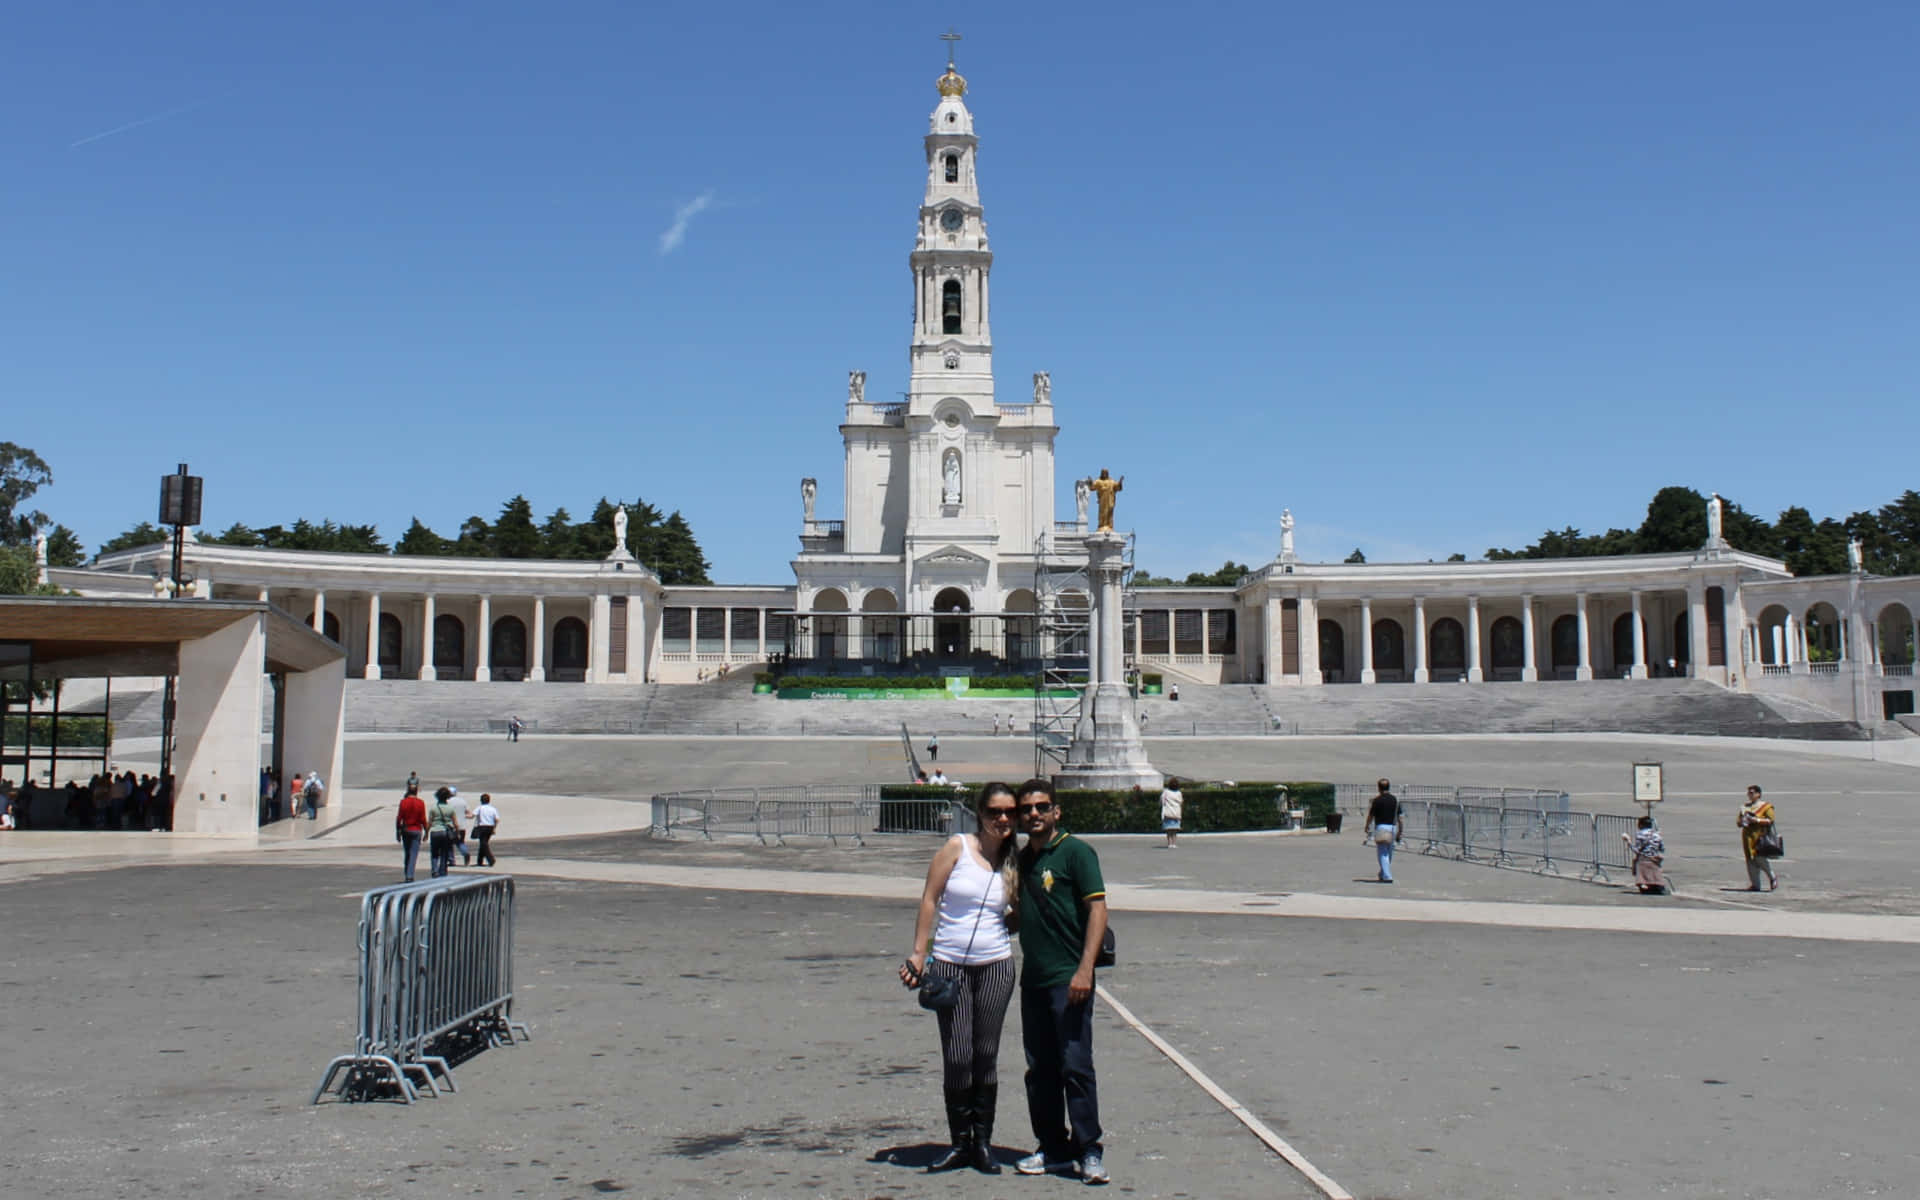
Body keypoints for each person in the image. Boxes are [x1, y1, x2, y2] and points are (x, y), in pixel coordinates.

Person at [898, 783, 1022, 1175]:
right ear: (979, 813)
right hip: (950, 963)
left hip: (996, 964)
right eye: (994, 811)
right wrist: (920, 953)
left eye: (1009, 812)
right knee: (957, 1055)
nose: (1002, 819)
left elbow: (1017, 915)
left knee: (985, 1054)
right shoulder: (957, 848)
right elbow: (929, 899)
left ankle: (982, 1143)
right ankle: (958, 1143)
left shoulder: (1015, 859)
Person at [1014, 778, 1110, 1185]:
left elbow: (1097, 910)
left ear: (1056, 811)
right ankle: (1052, 1146)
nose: (1033, 814)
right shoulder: (1021, 860)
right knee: (1040, 1068)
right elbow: (1018, 915)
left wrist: (1085, 969)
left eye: (1041, 807)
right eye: (1026, 809)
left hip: (1068, 978)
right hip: (1033, 979)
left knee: (1075, 1065)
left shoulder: (1076, 853)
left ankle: (1089, 1149)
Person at [1739, 785, 1777, 891]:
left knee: (1760, 858)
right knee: (1750, 860)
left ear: (1758, 794)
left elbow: (1770, 820)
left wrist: (1757, 820)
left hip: (1760, 836)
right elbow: (1739, 821)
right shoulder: (1745, 806)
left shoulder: (1766, 806)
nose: (1750, 795)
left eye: (1752, 793)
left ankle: (1772, 877)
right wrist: (1743, 821)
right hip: (1747, 836)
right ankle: (1755, 884)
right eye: (1749, 793)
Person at [1365, 778, 1400, 884]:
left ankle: (1387, 876)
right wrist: (1400, 830)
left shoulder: (1377, 800)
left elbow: (1371, 815)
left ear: (1379, 788)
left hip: (1381, 827)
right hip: (1392, 828)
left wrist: (1367, 825)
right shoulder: (1395, 800)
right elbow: (1400, 817)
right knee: (1389, 853)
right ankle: (1383, 872)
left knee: (1382, 853)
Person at [1624, 816, 1667, 894]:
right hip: (1654, 859)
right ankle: (1657, 887)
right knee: (1655, 874)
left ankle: (1644, 886)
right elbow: (1662, 849)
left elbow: (1637, 850)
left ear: (1641, 825)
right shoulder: (1657, 834)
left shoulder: (1640, 834)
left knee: (1641, 871)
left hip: (1643, 859)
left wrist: (1628, 841)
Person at [426, 786, 463, 878]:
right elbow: (455, 823)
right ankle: (442, 870)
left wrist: (426, 833)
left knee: (434, 853)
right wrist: (457, 833)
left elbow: (429, 822)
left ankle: (434, 870)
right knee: (444, 853)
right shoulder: (450, 808)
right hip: (446, 832)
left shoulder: (434, 808)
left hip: (435, 831)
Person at [396, 784, 427, 882]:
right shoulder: (421, 803)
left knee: (407, 852)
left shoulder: (403, 802)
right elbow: (423, 818)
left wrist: (398, 831)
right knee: (413, 854)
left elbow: (399, 818)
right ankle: (410, 875)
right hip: (416, 829)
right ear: (416, 792)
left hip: (406, 829)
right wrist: (426, 831)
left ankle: (407, 872)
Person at [472, 793, 500, 867]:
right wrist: (494, 828)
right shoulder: (493, 809)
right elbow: (497, 819)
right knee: (483, 843)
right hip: (490, 827)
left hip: (482, 827)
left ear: (481, 800)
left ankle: (491, 859)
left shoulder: (480, 808)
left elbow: (472, 815)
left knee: (483, 844)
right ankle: (479, 861)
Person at [1159, 777, 1183, 849]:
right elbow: (1181, 802)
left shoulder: (1166, 792)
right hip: (1176, 814)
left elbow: (1162, 801)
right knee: (1175, 831)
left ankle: (1169, 843)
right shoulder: (1179, 793)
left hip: (1168, 813)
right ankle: (1174, 843)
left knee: (1169, 831)